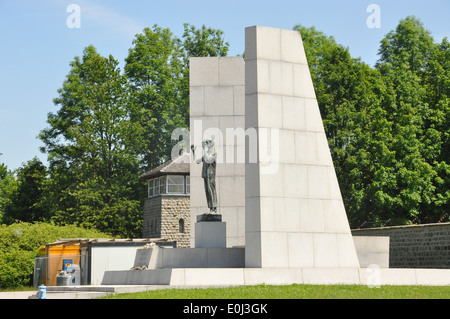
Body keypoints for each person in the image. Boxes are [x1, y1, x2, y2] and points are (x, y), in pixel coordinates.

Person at [192, 140, 217, 213]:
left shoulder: (213, 154)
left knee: (211, 190)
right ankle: (211, 208)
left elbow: (208, 159)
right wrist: (194, 151)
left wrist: (204, 149)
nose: (205, 145)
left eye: (207, 143)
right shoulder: (206, 154)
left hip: (211, 175)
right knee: (207, 192)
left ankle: (214, 208)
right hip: (206, 175)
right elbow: (197, 161)